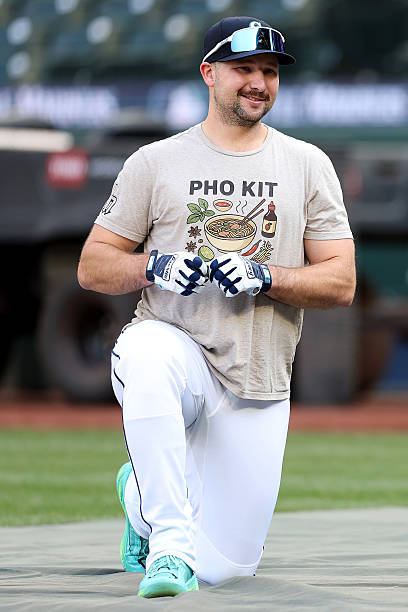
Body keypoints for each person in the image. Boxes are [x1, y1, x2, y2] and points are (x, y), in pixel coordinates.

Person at [77, 15, 356, 598]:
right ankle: (167, 547)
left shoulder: (306, 163)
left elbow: (341, 281)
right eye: (243, 68)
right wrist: (155, 266)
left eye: (269, 71)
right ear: (209, 73)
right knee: (147, 353)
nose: (258, 82)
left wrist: (266, 276)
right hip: (175, 344)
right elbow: (93, 266)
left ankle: (139, 496)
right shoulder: (155, 161)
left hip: (257, 377)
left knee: (226, 568)